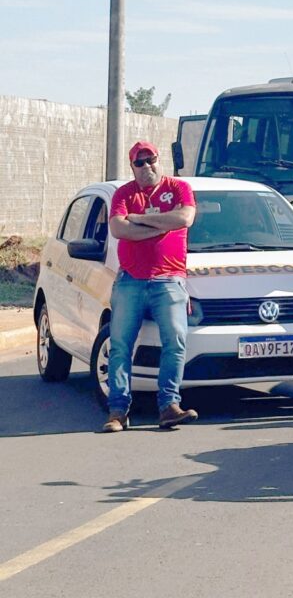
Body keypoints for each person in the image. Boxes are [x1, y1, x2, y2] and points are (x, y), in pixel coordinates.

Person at [102, 141, 197, 433]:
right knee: (120, 345)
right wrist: (163, 225)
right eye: (139, 163)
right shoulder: (123, 193)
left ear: (159, 160)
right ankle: (118, 411)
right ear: (132, 167)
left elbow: (184, 218)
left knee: (176, 341)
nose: (147, 166)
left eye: (151, 160)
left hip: (169, 279)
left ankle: (169, 406)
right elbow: (118, 229)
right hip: (130, 280)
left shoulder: (179, 188)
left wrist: (140, 220)